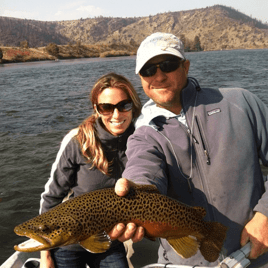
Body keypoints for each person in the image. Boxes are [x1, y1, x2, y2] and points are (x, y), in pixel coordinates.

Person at [112, 32, 268, 267]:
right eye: (148, 70)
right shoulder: (144, 134)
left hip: (257, 253)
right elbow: (142, 168)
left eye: (168, 65)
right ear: (140, 78)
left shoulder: (241, 103)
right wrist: (134, 189)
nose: (159, 76)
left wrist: (266, 214)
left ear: (186, 66)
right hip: (184, 262)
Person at [39, 72, 142, 268]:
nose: (116, 115)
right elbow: (51, 199)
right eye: (106, 108)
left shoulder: (142, 142)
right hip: (69, 243)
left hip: (111, 242)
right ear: (96, 109)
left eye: (124, 105)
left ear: (133, 105)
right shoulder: (77, 141)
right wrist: (45, 255)